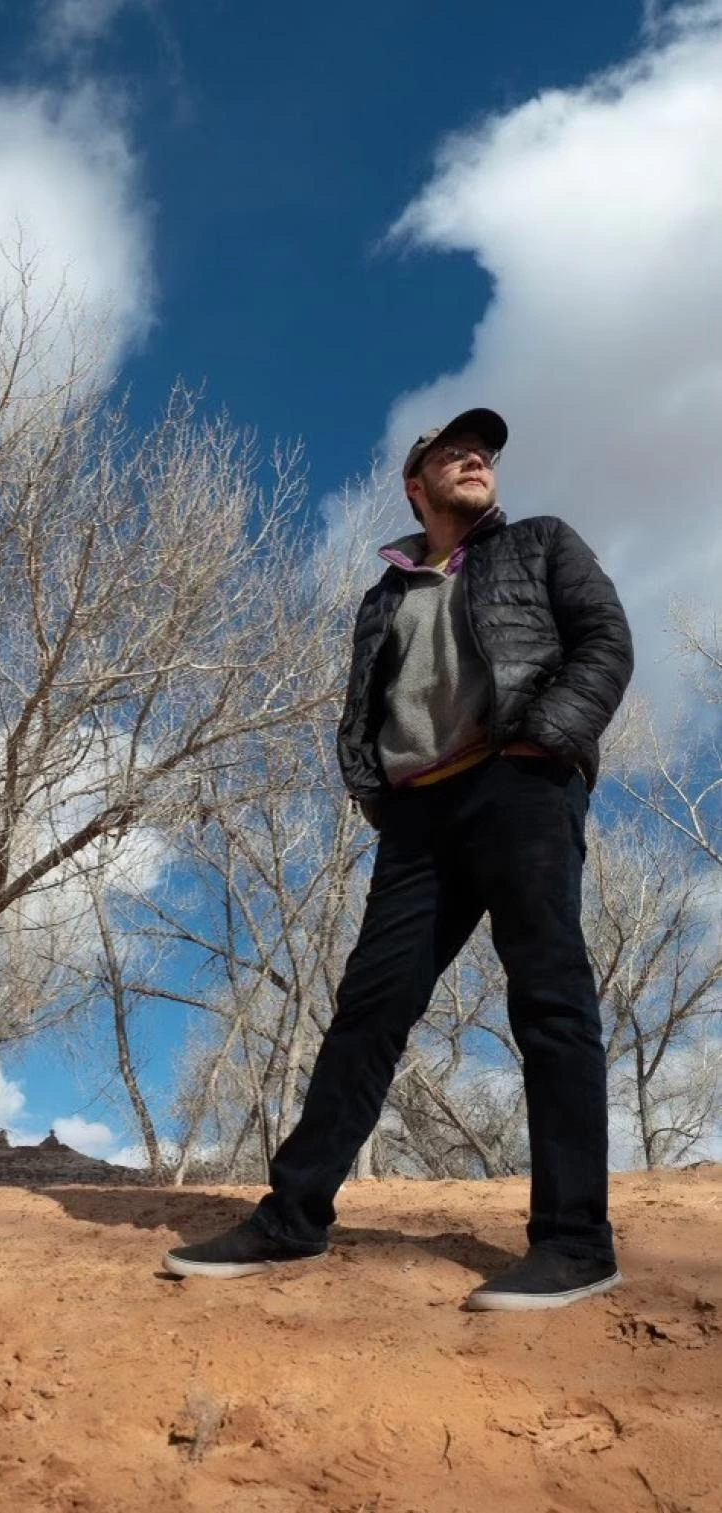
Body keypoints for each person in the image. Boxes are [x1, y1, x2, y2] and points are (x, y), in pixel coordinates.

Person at [164, 408, 634, 1311]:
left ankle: (576, 1242)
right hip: (419, 817)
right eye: (451, 451)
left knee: (550, 997)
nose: (475, 458)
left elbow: (605, 642)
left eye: (484, 451)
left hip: (521, 782)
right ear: (415, 484)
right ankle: (292, 1220)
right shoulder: (384, 597)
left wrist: (547, 740)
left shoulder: (540, 544)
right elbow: (358, 711)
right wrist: (372, 792)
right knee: (367, 1011)